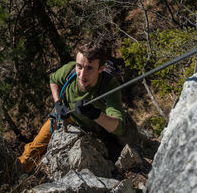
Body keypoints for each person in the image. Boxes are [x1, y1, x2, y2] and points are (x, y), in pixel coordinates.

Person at [18, 41, 144, 173]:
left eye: (89, 68)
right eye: (79, 66)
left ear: (101, 69)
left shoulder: (109, 87)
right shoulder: (69, 71)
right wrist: (58, 102)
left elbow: (118, 127)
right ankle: (15, 176)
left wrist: (95, 114)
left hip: (94, 129)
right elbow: (54, 80)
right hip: (65, 116)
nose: (82, 75)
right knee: (34, 149)